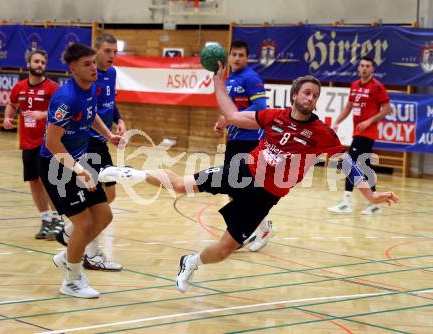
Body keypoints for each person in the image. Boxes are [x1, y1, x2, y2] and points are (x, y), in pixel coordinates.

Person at [99, 65, 399, 294]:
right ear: (295, 95)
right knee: (181, 185)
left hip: (265, 196)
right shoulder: (273, 116)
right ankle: (129, 173)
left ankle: (191, 262)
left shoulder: (321, 134)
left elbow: (347, 163)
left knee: (226, 248)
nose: (312, 98)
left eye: (316, 95)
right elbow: (231, 114)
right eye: (307, 92)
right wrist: (218, 82)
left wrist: (370, 195)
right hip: (242, 172)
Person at [38, 44, 121, 298]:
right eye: (87, 64)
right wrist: (77, 170)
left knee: (104, 215)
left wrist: (108, 134)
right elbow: (53, 143)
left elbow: (92, 113)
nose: (94, 68)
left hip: (79, 161)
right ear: (73, 69)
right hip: (57, 166)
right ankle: (71, 282)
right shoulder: (65, 98)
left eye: (94, 62)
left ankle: (68, 255)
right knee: (84, 223)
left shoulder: (91, 88)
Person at [56, 33, 124, 271]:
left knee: (109, 196)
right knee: (98, 204)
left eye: (115, 52)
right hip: (86, 145)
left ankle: (69, 233)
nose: (111, 57)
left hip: (101, 142)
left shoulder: (110, 74)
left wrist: (118, 121)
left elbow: (108, 103)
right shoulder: (84, 82)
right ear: (96, 52)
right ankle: (90, 253)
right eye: (107, 51)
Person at [213, 40, 273, 252]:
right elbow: (232, 109)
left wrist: (232, 118)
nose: (236, 58)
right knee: (233, 188)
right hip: (234, 140)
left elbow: (260, 107)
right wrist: (224, 121)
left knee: (245, 190)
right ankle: (243, 232)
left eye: (241, 55)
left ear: (247, 57)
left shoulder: (251, 78)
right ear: (229, 57)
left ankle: (260, 229)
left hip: (249, 141)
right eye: (234, 55)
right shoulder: (230, 79)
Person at [3, 50, 63, 240]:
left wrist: (42, 115)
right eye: (36, 61)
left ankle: (58, 220)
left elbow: (61, 111)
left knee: (48, 181)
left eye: (43, 62)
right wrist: (7, 117)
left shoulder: (52, 87)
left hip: (47, 142)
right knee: (34, 181)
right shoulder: (19, 87)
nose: (40, 65)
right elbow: (12, 104)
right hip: (27, 142)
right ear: (28, 63)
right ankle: (45, 219)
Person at [328, 56, 392, 215]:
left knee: (350, 163)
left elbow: (387, 109)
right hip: (357, 132)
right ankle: (375, 203)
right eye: (362, 65)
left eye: (367, 66)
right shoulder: (355, 85)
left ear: (372, 69)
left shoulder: (377, 87)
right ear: (358, 68)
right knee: (364, 166)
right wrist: (337, 121)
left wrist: (369, 121)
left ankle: (347, 202)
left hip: (367, 133)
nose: (364, 68)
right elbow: (349, 106)